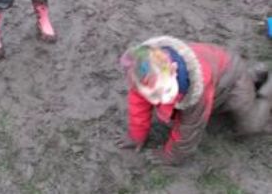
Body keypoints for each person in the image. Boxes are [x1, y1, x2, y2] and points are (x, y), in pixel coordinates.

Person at [116, 35, 272, 165]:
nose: (161, 100)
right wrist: (136, 136)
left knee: (251, 126)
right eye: (153, 96)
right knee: (180, 111)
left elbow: (190, 129)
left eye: (167, 91)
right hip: (215, 74)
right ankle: (255, 74)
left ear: (173, 70)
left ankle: (266, 92)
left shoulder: (196, 90)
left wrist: (171, 155)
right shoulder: (143, 78)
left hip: (232, 78)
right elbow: (138, 110)